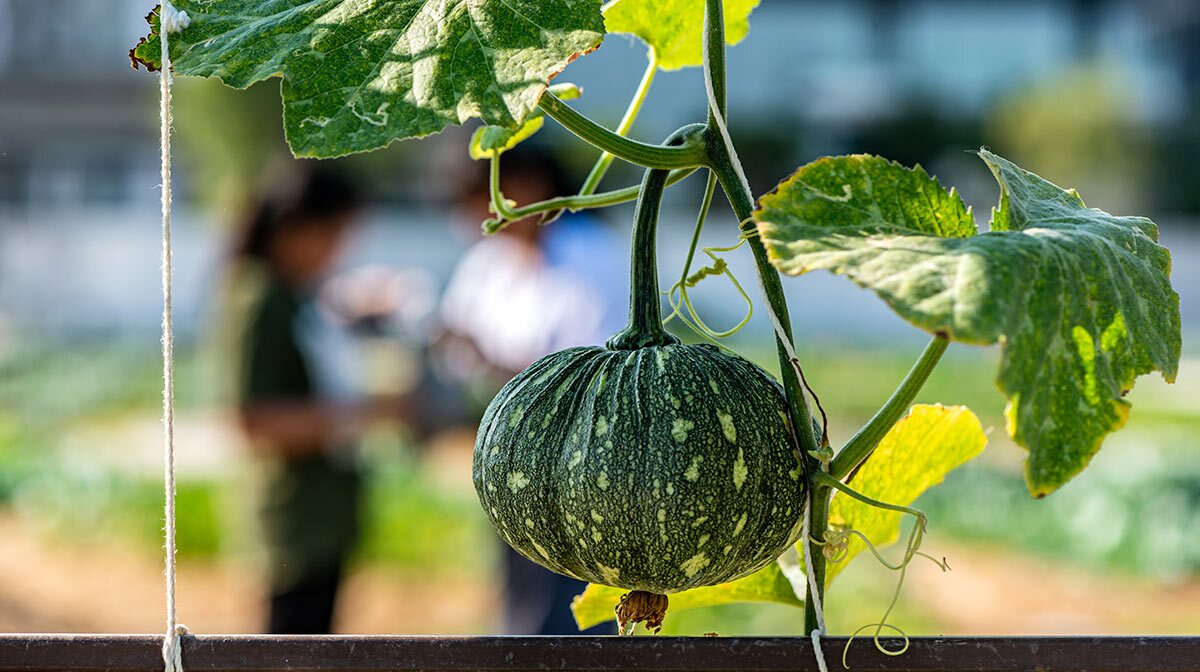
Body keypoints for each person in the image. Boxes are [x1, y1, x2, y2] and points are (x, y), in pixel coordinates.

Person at [438, 148, 625, 635]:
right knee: (523, 596)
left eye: (479, 199)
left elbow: (602, 370)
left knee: (572, 602)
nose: (470, 215)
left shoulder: (591, 253)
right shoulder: (487, 262)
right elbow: (454, 349)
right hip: (511, 458)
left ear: (526, 187)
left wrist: (495, 364)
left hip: (585, 464)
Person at [231, 166, 409, 634]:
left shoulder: (294, 294)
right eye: (334, 234)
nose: (339, 250)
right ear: (295, 229)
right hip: (294, 522)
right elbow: (253, 421)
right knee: (292, 647)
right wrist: (373, 412)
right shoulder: (260, 299)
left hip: (321, 516)